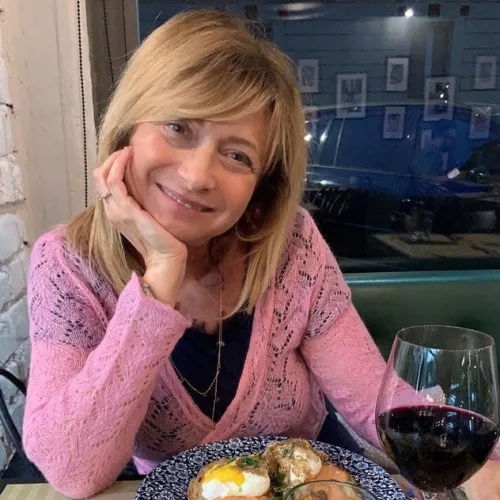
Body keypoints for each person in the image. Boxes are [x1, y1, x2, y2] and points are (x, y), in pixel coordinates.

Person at [23, 10, 499, 500]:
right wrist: (160, 278)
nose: (196, 175)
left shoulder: (292, 246)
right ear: (127, 129)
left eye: (237, 155)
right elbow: (73, 470)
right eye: (177, 127)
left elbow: (368, 398)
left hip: (313, 480)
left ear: (260, 186)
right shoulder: (66, 265)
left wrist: (474, 463)